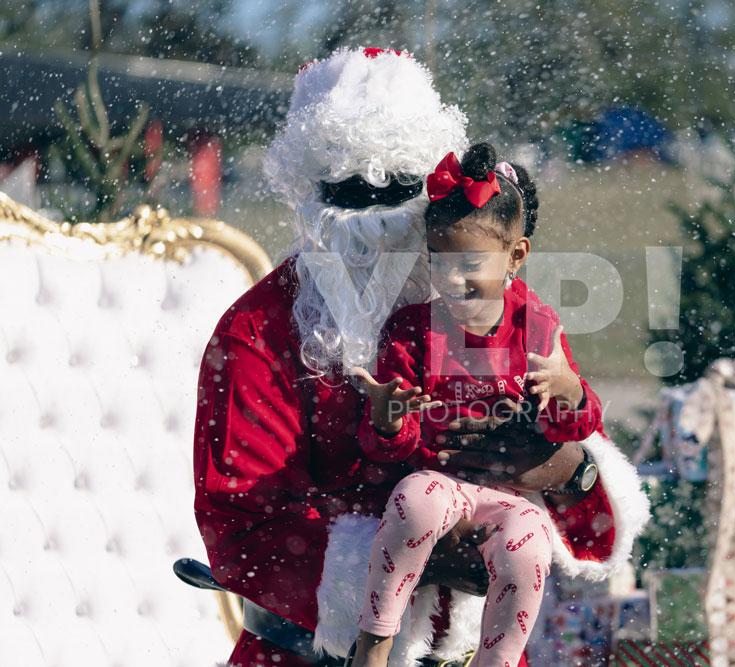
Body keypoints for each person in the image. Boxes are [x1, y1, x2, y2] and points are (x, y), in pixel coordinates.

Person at [192, 47, 650, 667]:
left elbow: (589, 525)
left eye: (400, 190)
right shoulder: (259, 329)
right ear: (308, 195)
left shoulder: (511, 314)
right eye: (347, 193)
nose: (374, 222)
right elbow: (239, 523)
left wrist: (567, 470)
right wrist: (415, 558)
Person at [350, 143, 608, 667]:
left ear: (516, 255)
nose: (451, 278)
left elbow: (575, 425)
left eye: (469, 263)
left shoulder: (537, 327)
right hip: (438, 481)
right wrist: (387, 421)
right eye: (438, 260)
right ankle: (374, 643)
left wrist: (568, 390)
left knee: (530, 542)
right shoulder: (412, 331)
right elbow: (390, 448)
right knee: (415, 497)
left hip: (506, 495)